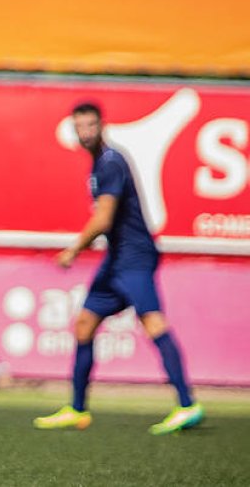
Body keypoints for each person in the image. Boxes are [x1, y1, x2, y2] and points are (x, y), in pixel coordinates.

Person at [35, 102, 203, 435]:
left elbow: (103, 218)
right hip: (116, 260)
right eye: (80, 127)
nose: (86, 132)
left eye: (91, 126)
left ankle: (187, 405)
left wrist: (73, 250)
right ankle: (78, 409)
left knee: (153, 321)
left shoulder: (110, 163)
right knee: (84, 324)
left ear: (102, 126)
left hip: (134, 257)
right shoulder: (99, 163)